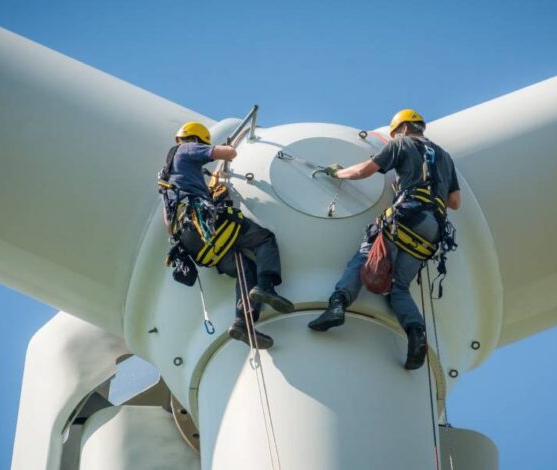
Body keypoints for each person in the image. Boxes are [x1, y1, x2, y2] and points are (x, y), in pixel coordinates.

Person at [308, 109, 461, 369]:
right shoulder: (445, 158)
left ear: (401, 129)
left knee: (365, 256)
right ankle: (416, 334)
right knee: (398, 287)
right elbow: (455, 202)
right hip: (432, 230)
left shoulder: (400, 144)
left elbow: (365, 171)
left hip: (406, 216)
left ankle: (337, 305)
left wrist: (338, 174)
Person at [160, 121, 295, 349]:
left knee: (244, 267)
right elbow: (228, 153)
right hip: (205, 223)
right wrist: (225, 149)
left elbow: (167, 222)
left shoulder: (167, 176)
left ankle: (242, 323)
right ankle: (266, 286)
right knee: (264, 239)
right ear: (196, 139)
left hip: (192, 241)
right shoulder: (188, 149)